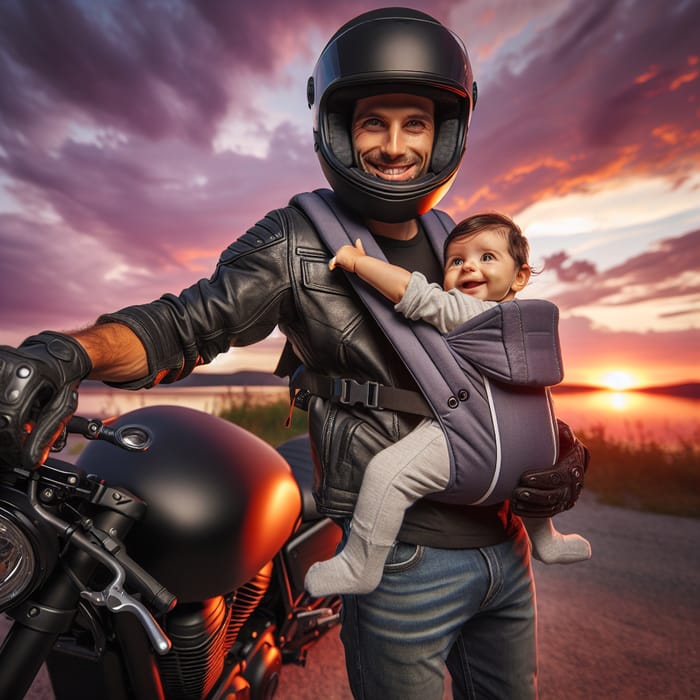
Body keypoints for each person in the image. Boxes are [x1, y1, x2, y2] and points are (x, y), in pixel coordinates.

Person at [0, 8, 589, 699]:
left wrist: (560, 449)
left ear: (444, 135)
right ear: (338, 130)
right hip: (405, 559)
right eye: (373, 122)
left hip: (505, 547)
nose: (394, 145)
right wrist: (65, 353)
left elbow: (509, 376)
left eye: (415, 123)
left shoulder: (460, 242)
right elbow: (181, 326)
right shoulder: (294, 241)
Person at [304, 213, 592, 597]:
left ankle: (361, 564)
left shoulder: (469, 312)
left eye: (487, 257)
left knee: (388, 474)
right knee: (535, 480)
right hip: (534, 446)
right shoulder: (530, 326)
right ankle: (546, 539)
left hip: (473, 443)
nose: (469, 265)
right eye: (456, 261)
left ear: (520, 276)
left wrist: (360, 263)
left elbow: (414, 293)